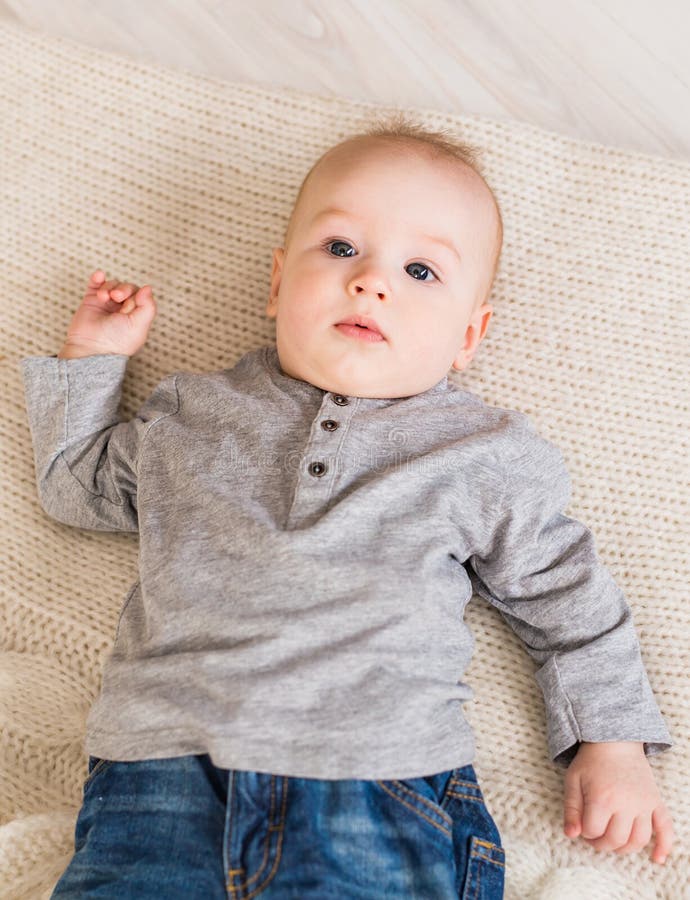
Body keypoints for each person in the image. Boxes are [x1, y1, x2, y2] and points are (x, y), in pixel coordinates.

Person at [21, 114, 674, 899]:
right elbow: (76, 487)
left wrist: (612, 744)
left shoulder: (481, 454)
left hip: (378, 785)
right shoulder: (192, 416)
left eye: (422, 272)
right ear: (275, 283)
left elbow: (569, 600)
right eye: (339, 249)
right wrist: (92, 361)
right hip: (160, 779)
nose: (371, 281)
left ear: (469, 334)